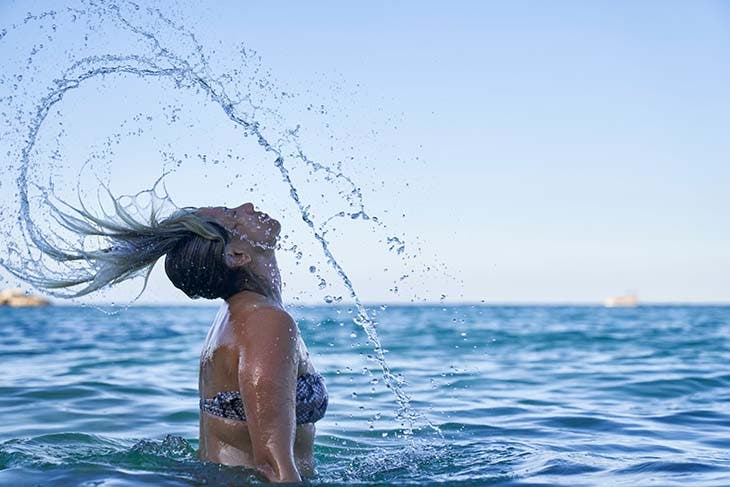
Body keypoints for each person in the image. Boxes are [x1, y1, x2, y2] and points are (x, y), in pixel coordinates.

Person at [12, 196, 327, 483]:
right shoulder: (264, 322)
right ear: (236, 255)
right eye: (233, 215)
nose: (247, 206)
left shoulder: (236, 317)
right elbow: (273, 467)